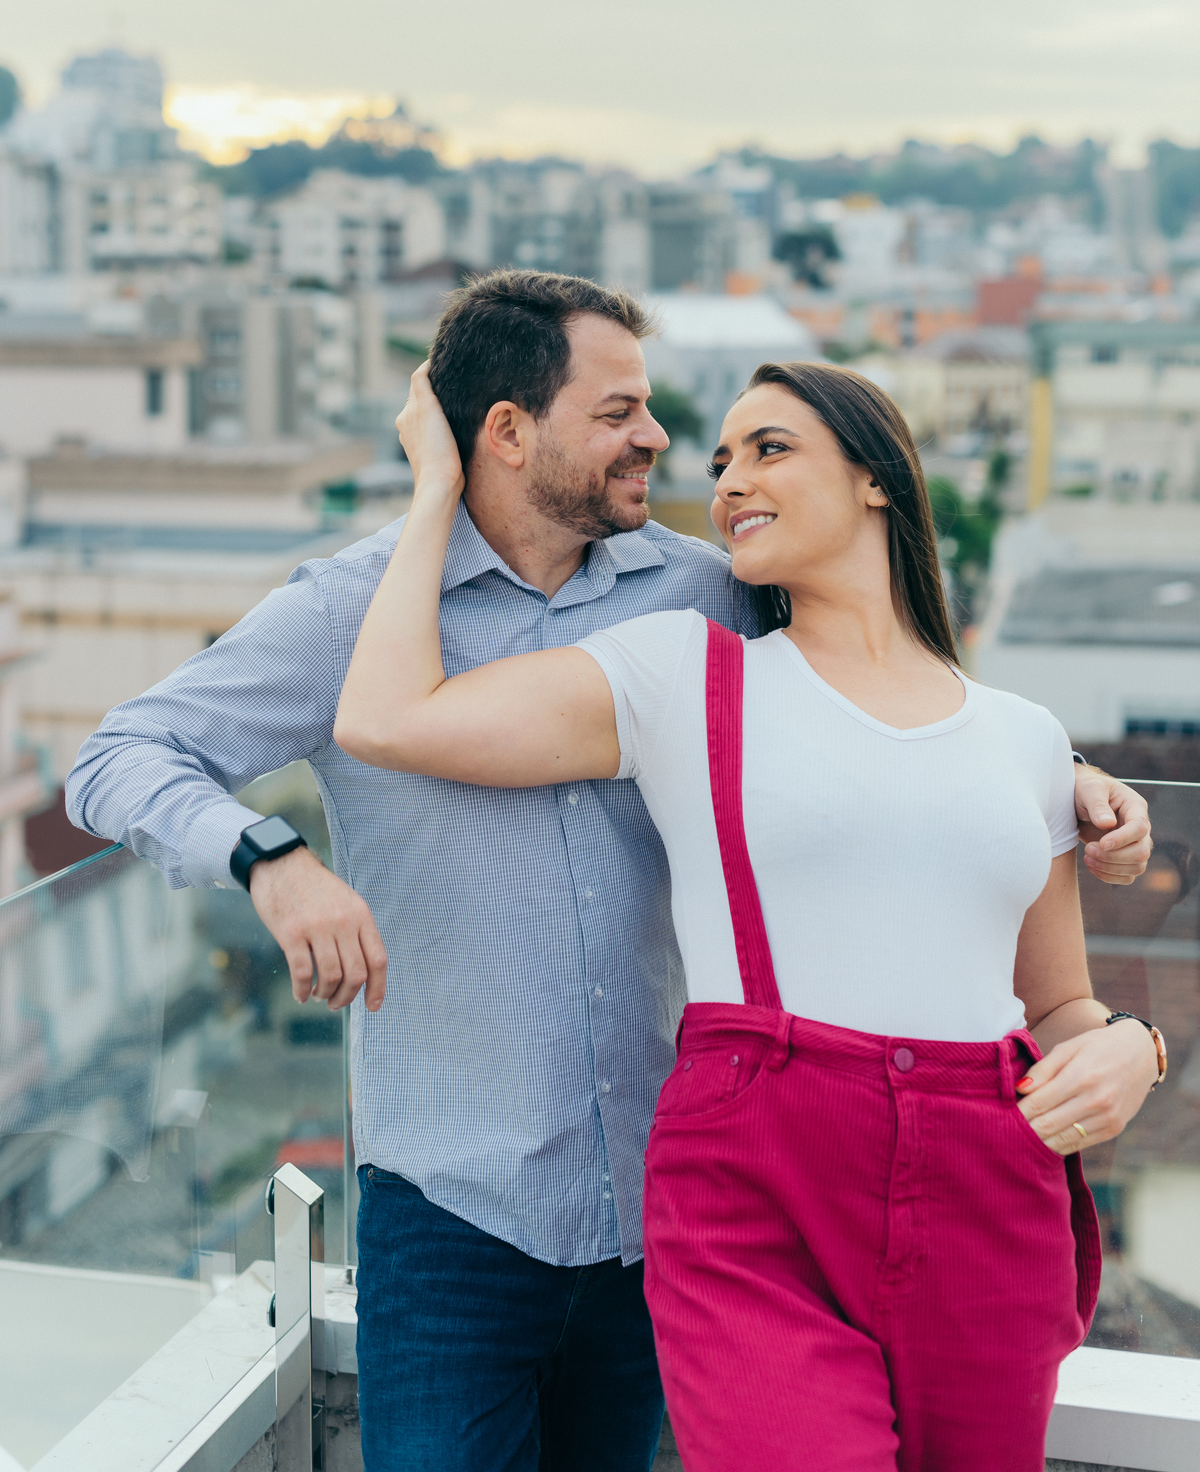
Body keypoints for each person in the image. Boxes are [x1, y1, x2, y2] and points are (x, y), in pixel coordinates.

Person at [67, 273, 1151, 1472]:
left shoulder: (702, 592)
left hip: (670, 1200)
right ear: (509, 431)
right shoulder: (357, 615)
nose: (661, 439)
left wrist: (1068, 775)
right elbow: (118, 756)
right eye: (621, 409)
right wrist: (271, 861)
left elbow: (883, 706)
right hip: (458, 1204)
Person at [334, 354, 1166, 1472]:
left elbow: (1060, 1001)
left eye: (769, 448)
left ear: (879, 478)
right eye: (721, 461)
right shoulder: (684, 675)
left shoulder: (1024, 737)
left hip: (989, 1191)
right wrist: (436, 484)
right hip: (755, 1178)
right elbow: (387, 717)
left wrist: (1131, 1050)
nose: (727, 480)